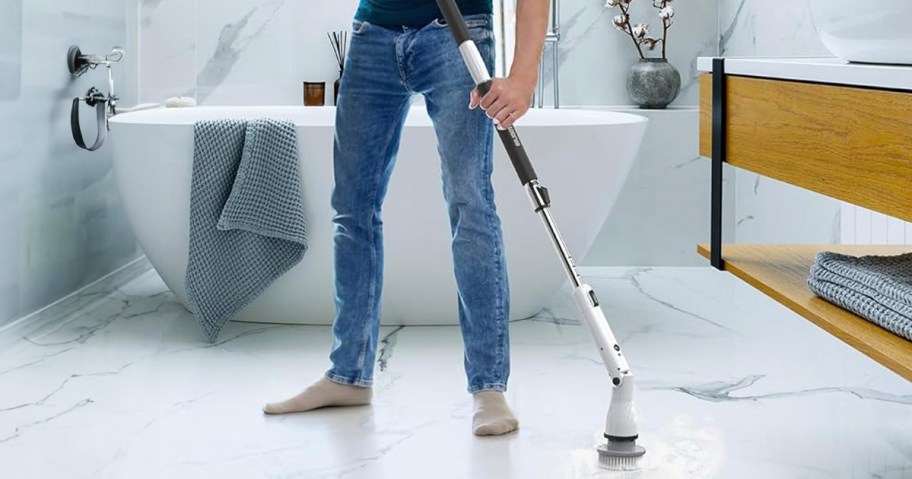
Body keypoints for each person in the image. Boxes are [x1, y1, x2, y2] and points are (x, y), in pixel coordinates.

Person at [263, 0, 549, 437]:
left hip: (456, 32)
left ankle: (489, 389)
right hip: (372, 33)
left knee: (469, 203)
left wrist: (524, 77)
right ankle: (348, 374)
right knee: (352, 207)